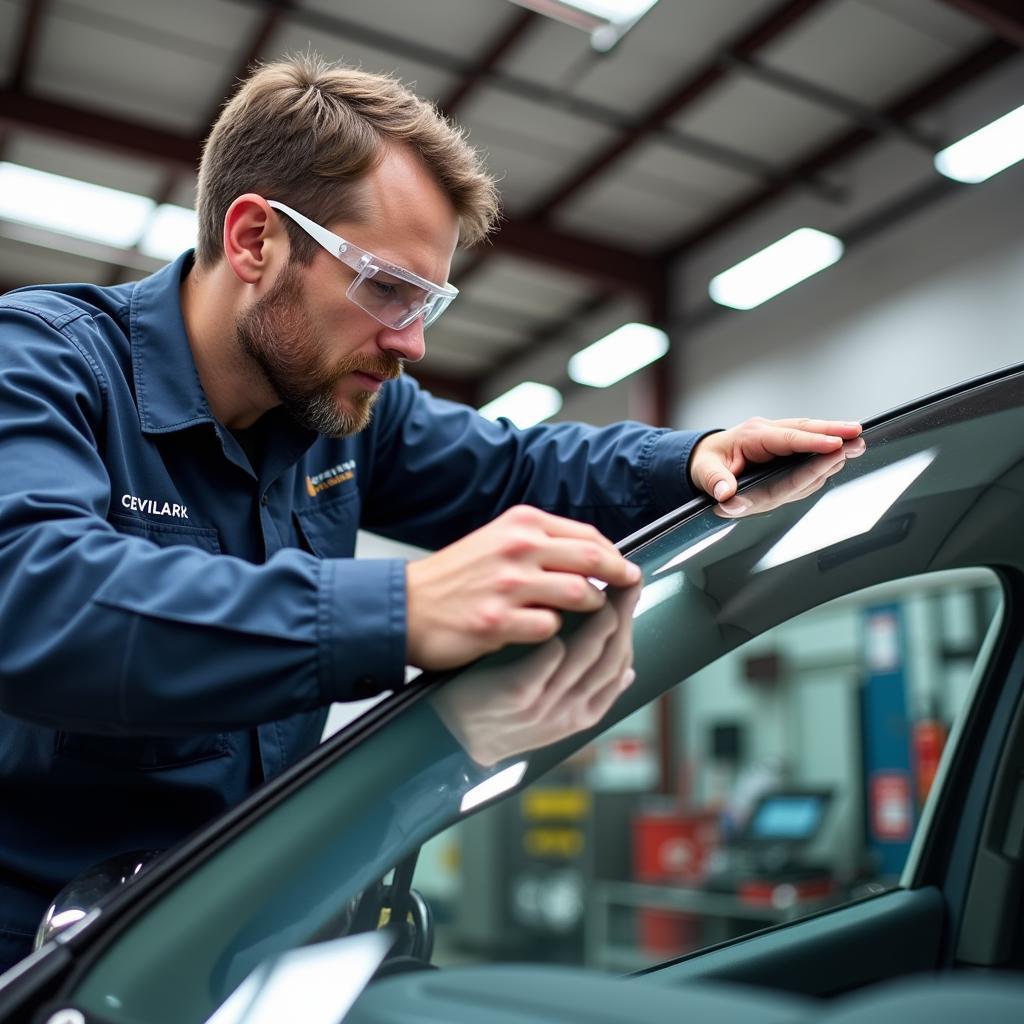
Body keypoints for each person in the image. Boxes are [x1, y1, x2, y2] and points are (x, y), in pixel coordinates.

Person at [0, 53, 861, 972]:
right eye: (387, 288)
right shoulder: (45, 364)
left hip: (234, 939)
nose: (411, 342)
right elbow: (37, 598)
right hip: (42, 965)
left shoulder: (338, 411)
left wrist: (688, 458)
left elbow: (518, 464)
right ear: (253, 240)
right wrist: (400, 609)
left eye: (430, 301)